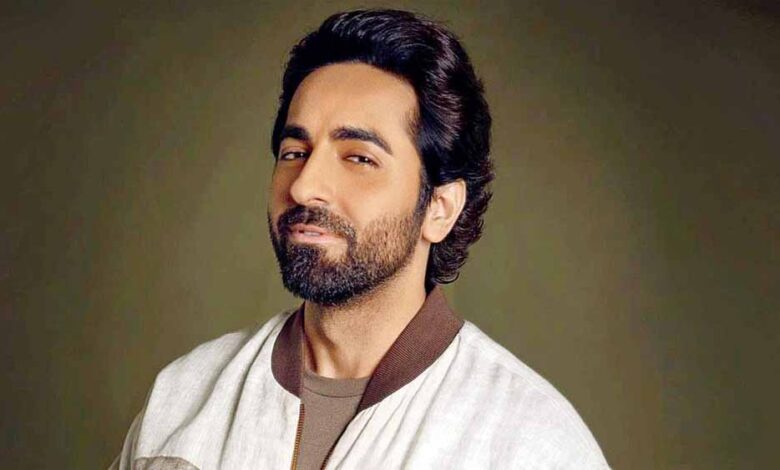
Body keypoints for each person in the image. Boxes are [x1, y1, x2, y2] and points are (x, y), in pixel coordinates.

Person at [110, 9, 609, 470]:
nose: (304, 186)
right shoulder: (183, 400)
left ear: (439, 208)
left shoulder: (530, 442)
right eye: (294, 152)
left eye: (359, 158)